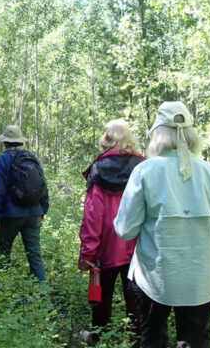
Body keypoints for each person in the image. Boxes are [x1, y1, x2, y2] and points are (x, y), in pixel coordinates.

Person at [114, 101, 210, 348]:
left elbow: (125, 230)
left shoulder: (145, 172)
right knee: (194, 342)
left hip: (154, 277)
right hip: (201, 279)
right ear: (190, 134)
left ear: (157, 134)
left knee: (153, 341)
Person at [78, 119, 144, 346]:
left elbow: (93, 215)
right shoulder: (143, 167)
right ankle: (137, 340)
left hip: (106, 247)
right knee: (135, 296)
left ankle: (97, 337)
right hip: (137, 245)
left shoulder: (98, 169)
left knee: (101, 295)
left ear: (106, 138)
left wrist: (88, 251)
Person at [0, 125, 49, 282]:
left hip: (10, 215)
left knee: (4, 252)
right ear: (20, 142)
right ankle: (42, 294)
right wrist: (43, 209)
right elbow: (43, 184)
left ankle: (1, 289)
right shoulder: (31, 157)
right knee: (34, 254)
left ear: (5, 143)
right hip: (34, 213)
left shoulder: (3, 159)